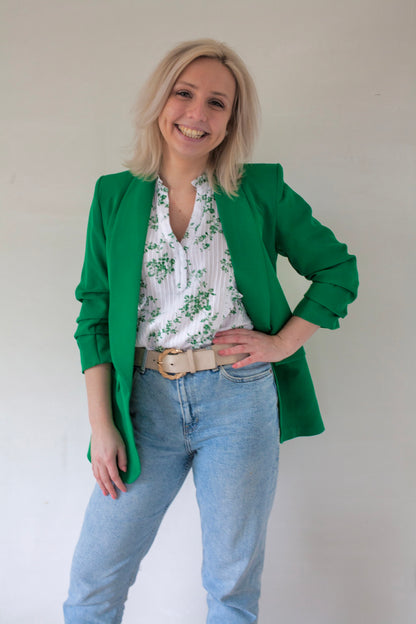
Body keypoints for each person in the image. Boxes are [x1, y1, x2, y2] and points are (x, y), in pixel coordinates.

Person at [63, 38, 358, 624]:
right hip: (141, 404)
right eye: (185, 93)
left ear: (231, 121)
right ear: (161, 100)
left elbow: (337, 270)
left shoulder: (260, 189)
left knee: (230, 587)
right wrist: (103, 425)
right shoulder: (113, 196)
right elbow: (93, 315)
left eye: (217, 103)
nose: (197, 114)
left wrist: (281, 343)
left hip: (239, 399)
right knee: (94, 583)